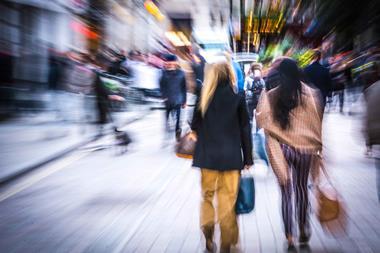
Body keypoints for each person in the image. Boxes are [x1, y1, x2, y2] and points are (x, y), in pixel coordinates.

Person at [256, 58, 323, 250]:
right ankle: (302, 227)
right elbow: (316, 122)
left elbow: (261, 119)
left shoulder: (272, 95)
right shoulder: (311, 94)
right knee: (301, 188)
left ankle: (289, 235)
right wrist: (318, 147)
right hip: (305, 149)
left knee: (286, 191)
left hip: (282, 149)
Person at [190, 61, 253, 253]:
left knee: (207, 196)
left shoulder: (204, 97)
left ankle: (208, 235)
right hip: (231, 157)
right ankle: (227, 242)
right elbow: (245, 129)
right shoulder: (238, 97)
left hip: (207, 157)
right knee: (228, 200)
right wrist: (248, 158)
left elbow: (194, 125)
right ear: (229, 74)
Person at [159, 54, 187, 140]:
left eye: (172, 63)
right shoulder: (163, 73)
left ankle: (178, 132)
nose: (170, 65)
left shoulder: (181, 73)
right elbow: (161, 86)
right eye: (168, 63)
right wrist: (164, 96)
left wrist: (184, 101)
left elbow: (184, 87)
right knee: (167, 118)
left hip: (178, 99)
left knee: (178, 119)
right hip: (168, 100)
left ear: (176, 63)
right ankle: (167, 131)